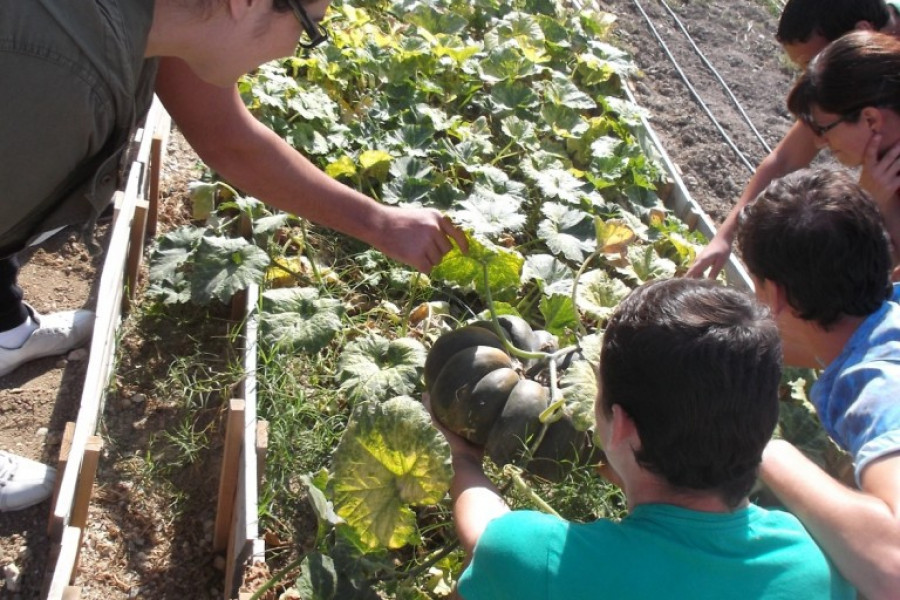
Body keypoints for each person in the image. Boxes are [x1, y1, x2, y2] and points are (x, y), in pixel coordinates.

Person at [0, 0, 467, 511]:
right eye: (307, 26)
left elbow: (228, 137)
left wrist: (379, 222)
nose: (294, 48)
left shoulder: (166, 20)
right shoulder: (55, 83)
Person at [430, 278, 854, 600]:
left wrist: (464, 459)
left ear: (622, 426)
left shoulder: (535, 563)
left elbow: (487, 535)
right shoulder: (822, 565)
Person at [735, 168, 900, 599]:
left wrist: (773, 454)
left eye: (755, 289)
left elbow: (894, 570)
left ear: (776, 296)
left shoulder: (876, 385)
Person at [686, 0, 900, 278]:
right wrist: (724, 236)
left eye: (815, 61)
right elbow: (785, 160)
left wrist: (866, 206)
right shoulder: (859, 92)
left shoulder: (854, 88)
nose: (819, 141)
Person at [785, 30, 900, 266]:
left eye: (823, 129)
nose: (819, 142)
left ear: (871, 120)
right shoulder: (884, 169)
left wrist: (867, 207)